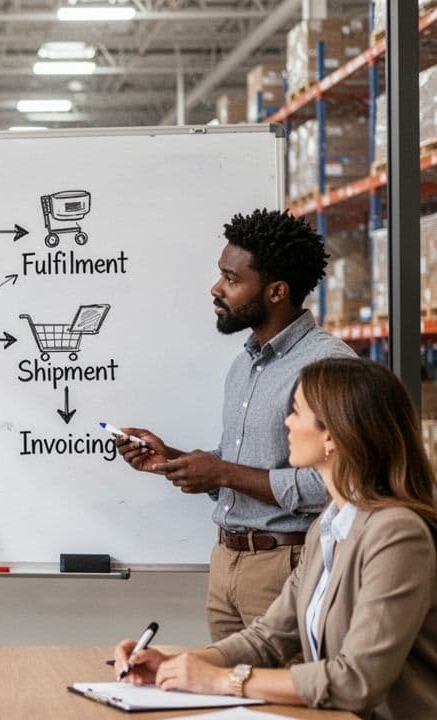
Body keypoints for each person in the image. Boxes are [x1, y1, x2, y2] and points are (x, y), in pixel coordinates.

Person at [114, 358, 437, 720]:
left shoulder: (396, 533)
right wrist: (175, 662)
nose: (287, 423)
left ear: (333, 437)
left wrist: (222, 681)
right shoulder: (332, 523)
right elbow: (269, 637)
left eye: (297, 411)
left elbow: (356, 680)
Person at [115, 209, 355, 641]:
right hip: (226, 564)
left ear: (277, 291)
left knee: (283, 701)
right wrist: (175, 459)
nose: (216, 288)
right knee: (229, 698)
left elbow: (340, 482)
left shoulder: (327, 365)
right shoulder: (245, 364)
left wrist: (224, 473)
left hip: (287, 566)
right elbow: (239, 466)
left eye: (231, 279)